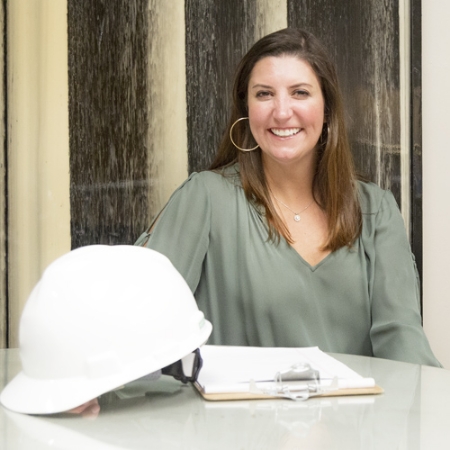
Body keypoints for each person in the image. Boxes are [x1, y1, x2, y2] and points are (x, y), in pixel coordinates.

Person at [136, 28, 441, 367]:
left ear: (327, 108)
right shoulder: (205, 198)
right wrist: (82, 384)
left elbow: (403, 340)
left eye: (300, 93)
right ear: (246, 108)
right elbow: (138, 320)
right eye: (264, 94)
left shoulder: (375, 210)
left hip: (357, 419)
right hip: (234, 420)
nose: (282, 113)